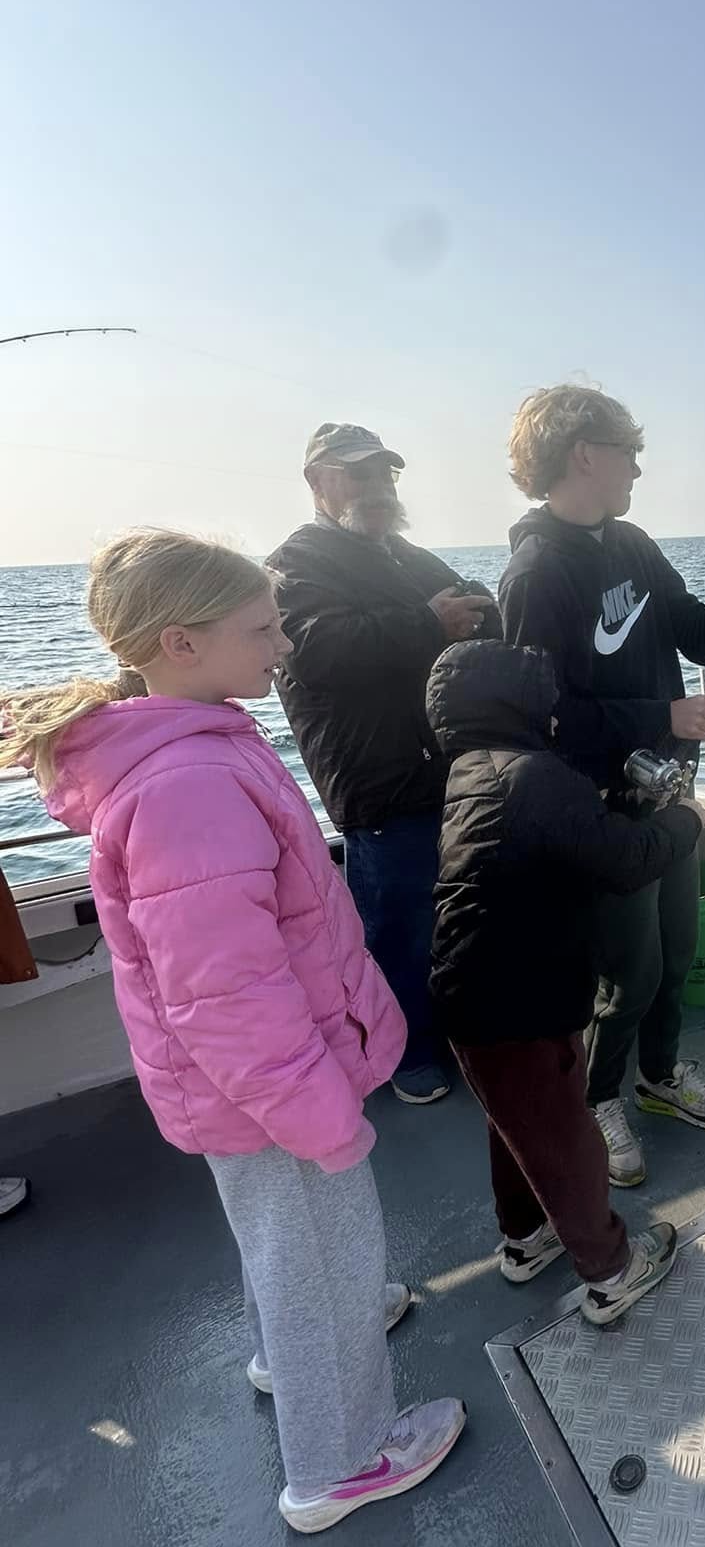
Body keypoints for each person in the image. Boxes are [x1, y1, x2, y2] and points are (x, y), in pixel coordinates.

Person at [0, 529, 465, 1532]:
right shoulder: (189, 785)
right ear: (181, 643)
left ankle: (280, 1356)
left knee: (283, 1247)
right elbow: (225, 994)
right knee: (322, 1262)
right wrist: (321, 1114)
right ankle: (339, 1464)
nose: (284, 647)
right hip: (273, 1090)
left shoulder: (191, 743)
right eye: (262, 629)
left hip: (237, 1090)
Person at [498, 384, 705, 1187]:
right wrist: (662, 715)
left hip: (667, 794)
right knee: (628, 974)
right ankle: (597, 1100)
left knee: (677, 952)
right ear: (585, 455)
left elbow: (702, 634)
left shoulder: (633, 544)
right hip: (599, 814)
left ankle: (659, 1075)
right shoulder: (535, 574)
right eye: (630, 453)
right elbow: (542, 719)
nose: (639, 469)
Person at [427, 639, 703, 1321]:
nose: (554, 717)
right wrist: (685, 819)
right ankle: (612, 1274)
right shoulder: (535, 776)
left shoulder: (473, 768)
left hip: (473, 999)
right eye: (543, 704)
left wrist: (616, 801)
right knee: (567, 1138)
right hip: (522, 1003)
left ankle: (526, 1240)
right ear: (512, 707)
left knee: (517, 1128)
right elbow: (627, 861)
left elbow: (562, 837)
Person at [268, 423, 497, 1105]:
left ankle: (459, 1036)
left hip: (449, 776)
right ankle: (407, 1053)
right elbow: (312, 652)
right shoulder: (292, 565)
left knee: (461, 919)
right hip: (380, 790)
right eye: (358, 473)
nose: (376, 487)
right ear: (316, 481)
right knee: (399, 930)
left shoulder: (405, 555)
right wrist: (429, 621)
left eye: (384, 474)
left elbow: (466, 606)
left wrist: (481, 608)